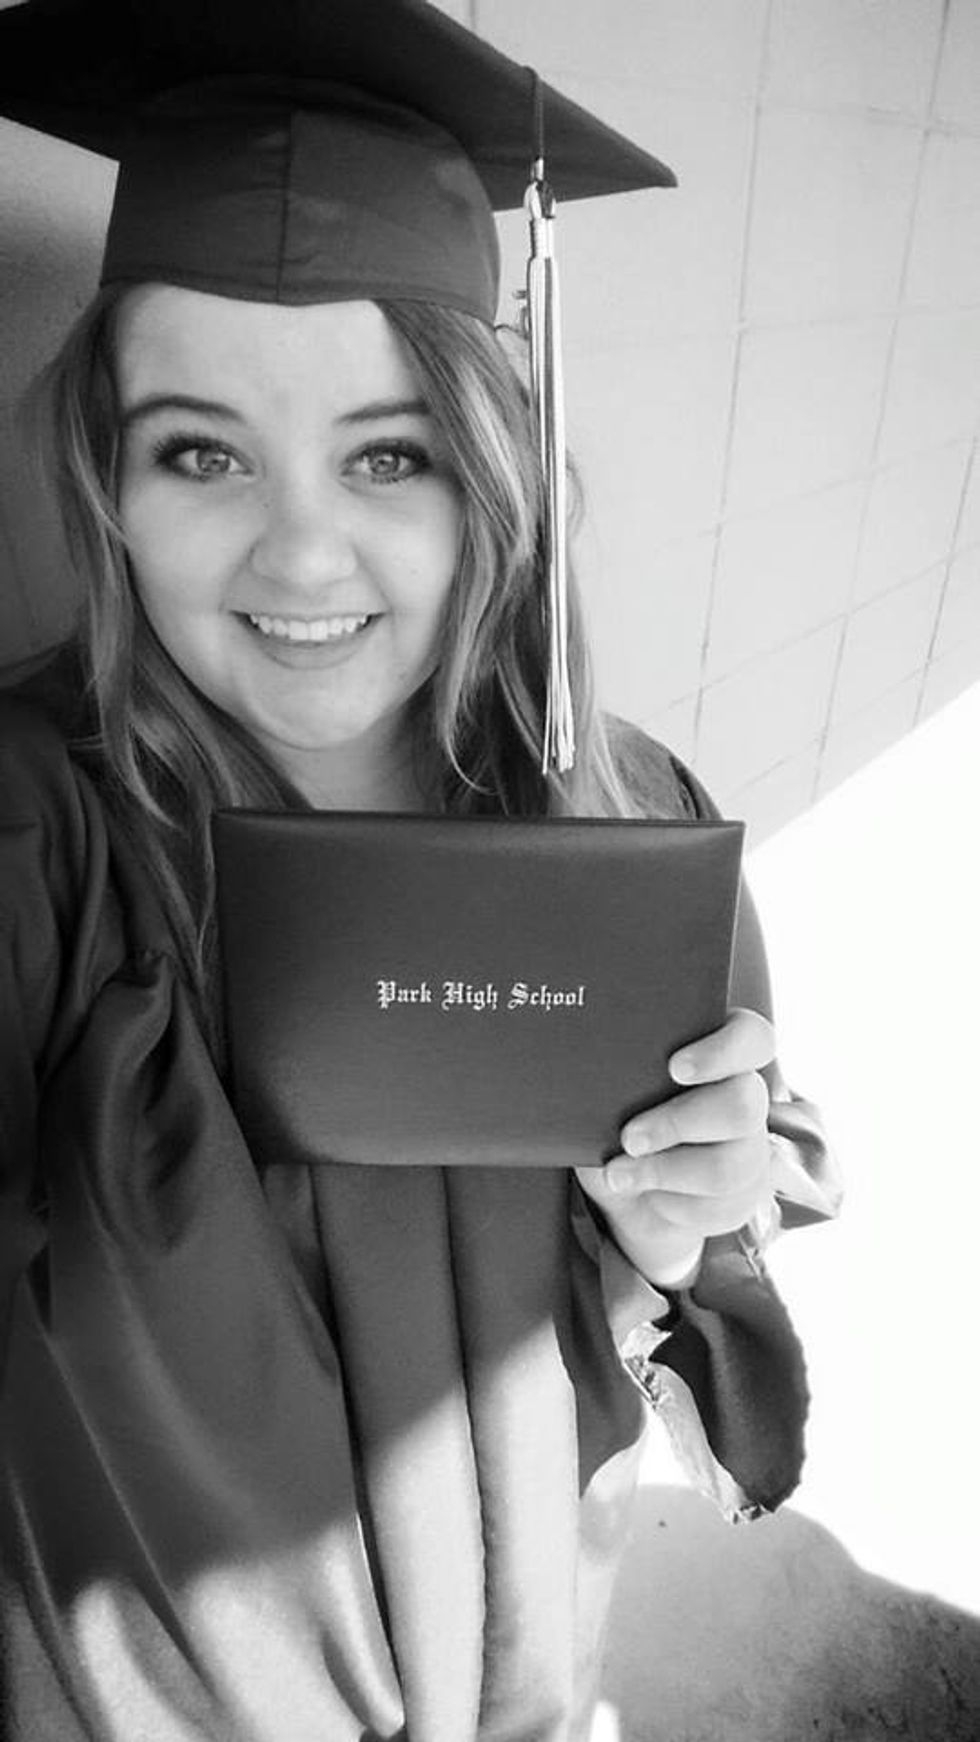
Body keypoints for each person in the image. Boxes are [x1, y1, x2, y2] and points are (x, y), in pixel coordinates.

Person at [0, 3, 840, 1738]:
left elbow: (707, 1290)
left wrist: (688, 1232)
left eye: (388, 452)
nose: (303, 551)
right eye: (200, 450)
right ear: (107, 477)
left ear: (490, 467)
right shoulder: (38, 837)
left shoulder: (625, 816)